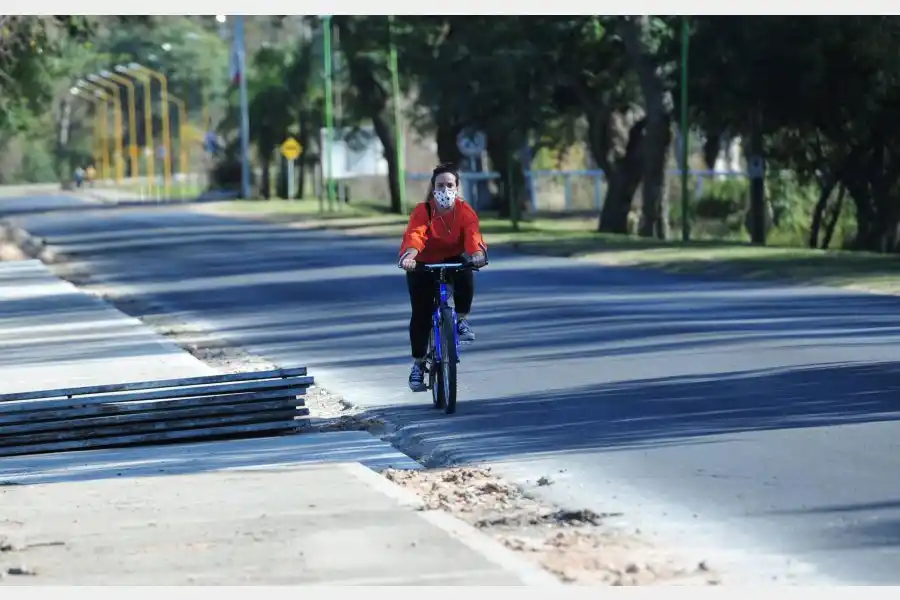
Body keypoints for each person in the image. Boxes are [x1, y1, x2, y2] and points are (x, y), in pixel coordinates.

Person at [398, 162, 488, 392]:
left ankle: (460, 319)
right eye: (440, 185)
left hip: (452, 260)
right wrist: (410, 256)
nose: (445, 190)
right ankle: (418, 364)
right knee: (421, 313)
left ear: (457, 188)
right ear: (433, 188)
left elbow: (473, 235)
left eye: (450, 185)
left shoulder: (465, 211)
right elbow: (416, 235)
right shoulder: (423, 211)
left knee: (467, 271)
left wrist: (477, 253)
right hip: (422, 263)